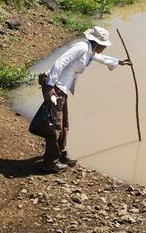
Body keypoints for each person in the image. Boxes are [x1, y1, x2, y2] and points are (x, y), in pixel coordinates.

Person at [38, 26, 132, 173]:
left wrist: (119, 62)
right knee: (55, 125)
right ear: (97, 43)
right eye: (104, 45)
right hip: (54, 87)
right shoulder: (81, 47)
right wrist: (50, 87)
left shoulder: (90, 51)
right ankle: (50, 162)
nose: (104, 48)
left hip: (61, 90)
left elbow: (100, 59)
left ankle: (61, 155)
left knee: (64, 124)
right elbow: (59, 63)